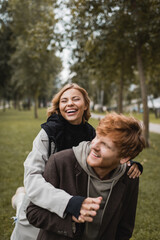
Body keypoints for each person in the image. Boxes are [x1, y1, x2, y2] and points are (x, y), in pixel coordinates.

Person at [10, 84, 142, 240]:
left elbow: (113, 148)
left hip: (70, 195)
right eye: (64, 100)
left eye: (75, 99)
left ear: (85, 105)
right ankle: (19, 199)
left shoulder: (91, 133)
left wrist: (130, 162)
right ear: (59, 107)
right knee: (26, 225)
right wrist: (68, 202)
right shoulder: (48, 133)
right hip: (42, 192)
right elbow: (32, 179)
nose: (69, 103)